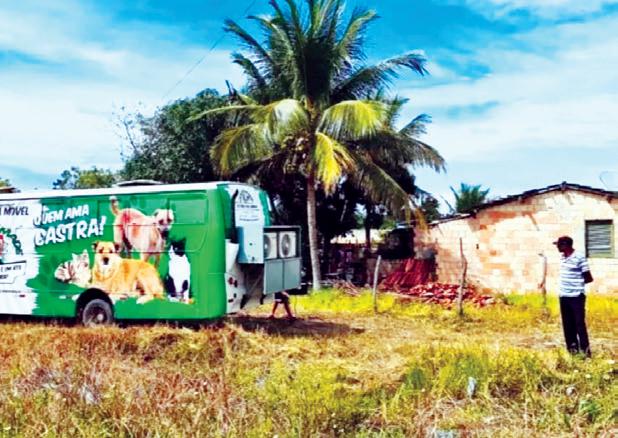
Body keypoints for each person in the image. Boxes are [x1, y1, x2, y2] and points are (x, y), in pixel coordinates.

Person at [553, 235, 593, 357]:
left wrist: (575, 284)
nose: (557, 248)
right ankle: (573, 351)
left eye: (558, 245)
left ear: (565, 245)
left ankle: (585, 353)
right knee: (567, 325)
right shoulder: (562, 257)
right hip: (564, 296)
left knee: (579, 324)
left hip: (576, 296)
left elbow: (589, 278)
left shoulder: (579, 257)